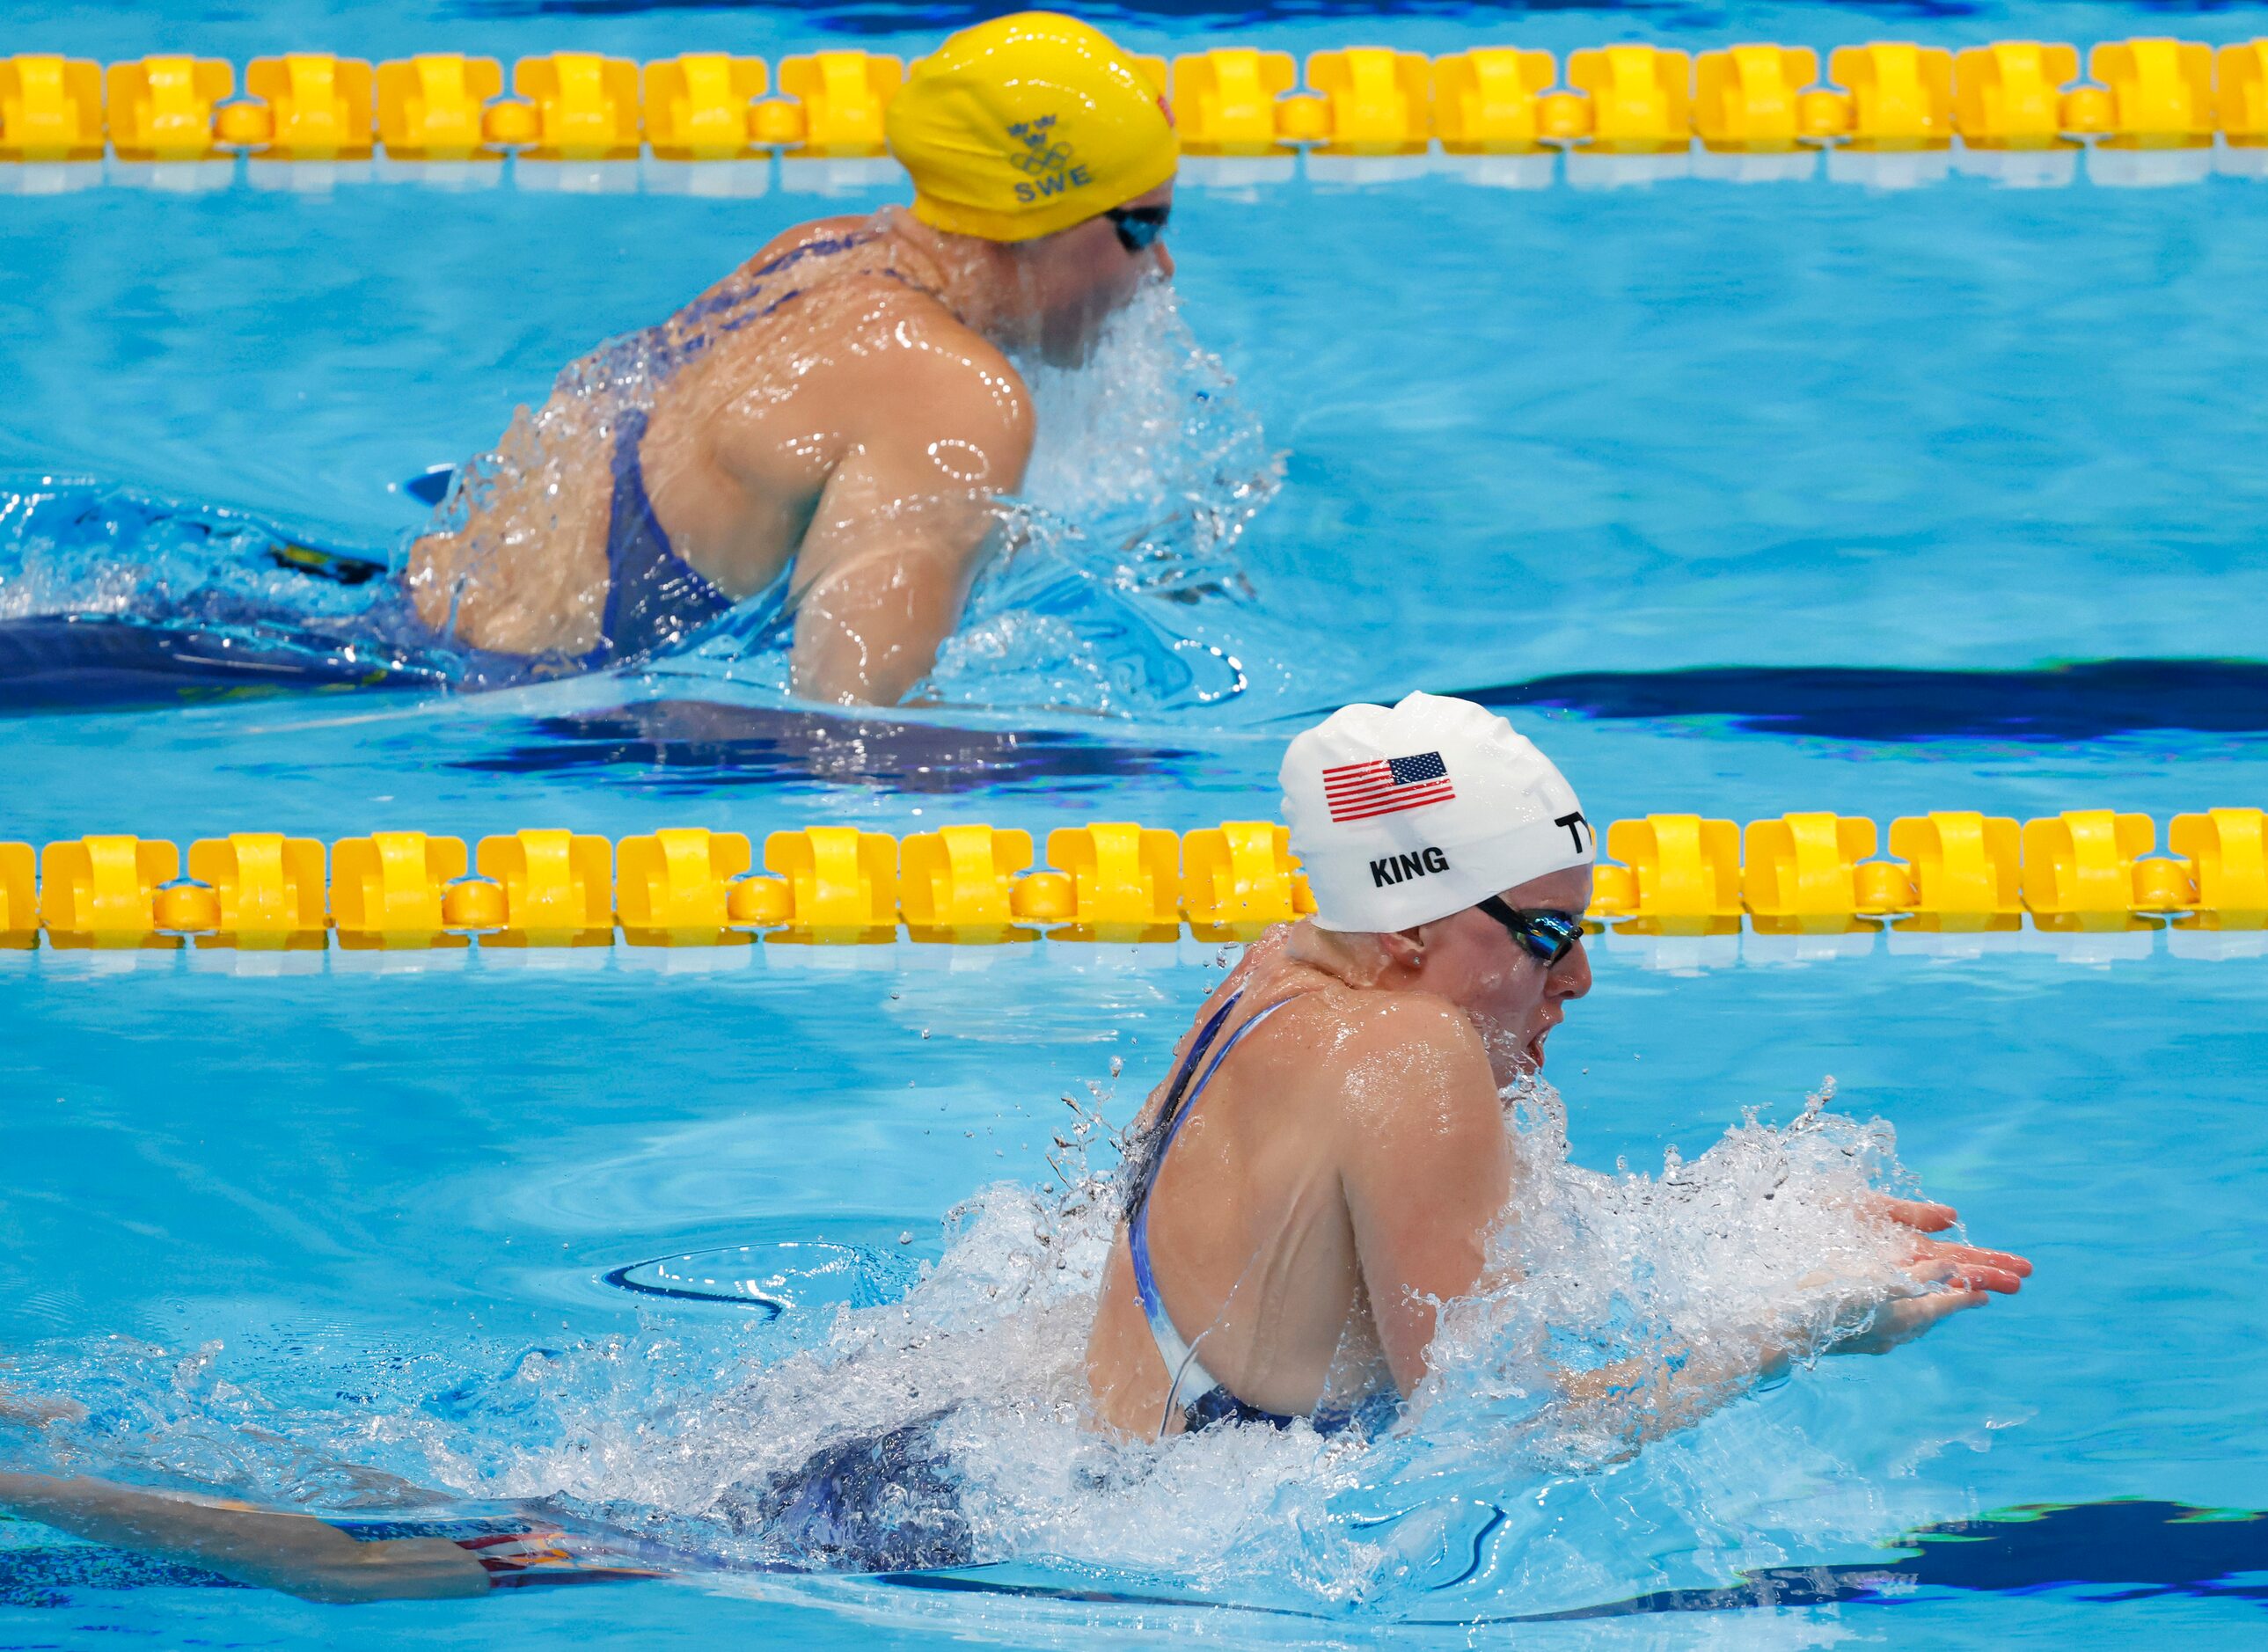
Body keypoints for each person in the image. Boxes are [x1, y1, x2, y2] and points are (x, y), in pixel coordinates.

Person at [1082, 691, 2032, 1437]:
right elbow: (1509, 1429)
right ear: (1409, 923)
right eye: (1544, 935)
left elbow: (1414, 1219)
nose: (1576, 978)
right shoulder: (1414, 1052)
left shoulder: (1278, 970)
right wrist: (1798, 1328)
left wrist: (1746, 1225)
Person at [406, 11, 1179, 705]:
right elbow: (852, 726)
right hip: (518, 712)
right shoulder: (961, 399)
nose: (1160, 269)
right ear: (1035, 219)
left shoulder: (821, 253)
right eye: (1141, 230)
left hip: (424, 629)